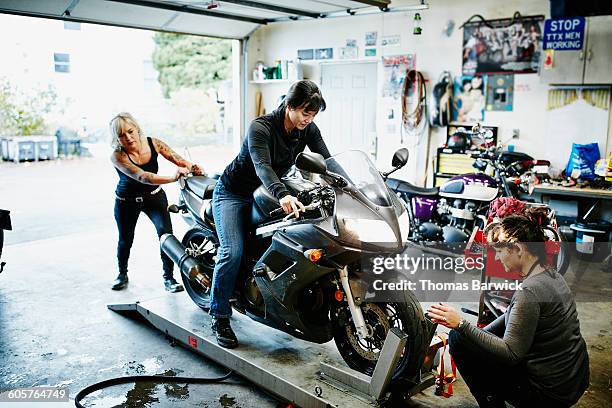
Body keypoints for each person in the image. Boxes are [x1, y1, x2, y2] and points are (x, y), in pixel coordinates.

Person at [209, 80, 331, 348]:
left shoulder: (307, 128)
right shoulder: (261, 128)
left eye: (312, 115)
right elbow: (263, 166)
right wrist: (283, 194)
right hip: (235, 193)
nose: (308, 120)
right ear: (290, 106)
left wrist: (347, 182)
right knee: (232, 251)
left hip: (268, 192)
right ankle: (219, 315)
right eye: (304, 113)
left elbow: (326, 159)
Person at [427, 207, 589, 407]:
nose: (496, 258)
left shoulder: (529, 292)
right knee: (463, 338)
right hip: (573, 380)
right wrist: (472, 336)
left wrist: (461, 325)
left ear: (519, 249)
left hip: (548, 394)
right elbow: (509, 319)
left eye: (500, 252)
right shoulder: (551, 276)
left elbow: (511, 354)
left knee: (458, 339)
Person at [109, 112, 204, 292]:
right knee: (125, 240)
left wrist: (192, 167)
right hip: (126, 201)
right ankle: (122, 274)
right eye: (121, 135)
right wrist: (173, 178)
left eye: (130, 131)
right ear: (117, 138)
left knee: (165, 236)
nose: (128, 137)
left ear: (137, 129)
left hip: (154, 197)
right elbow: (143, 177)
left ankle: (169, 278)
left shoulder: (153, 143)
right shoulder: (117, 156)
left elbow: (177, 158)